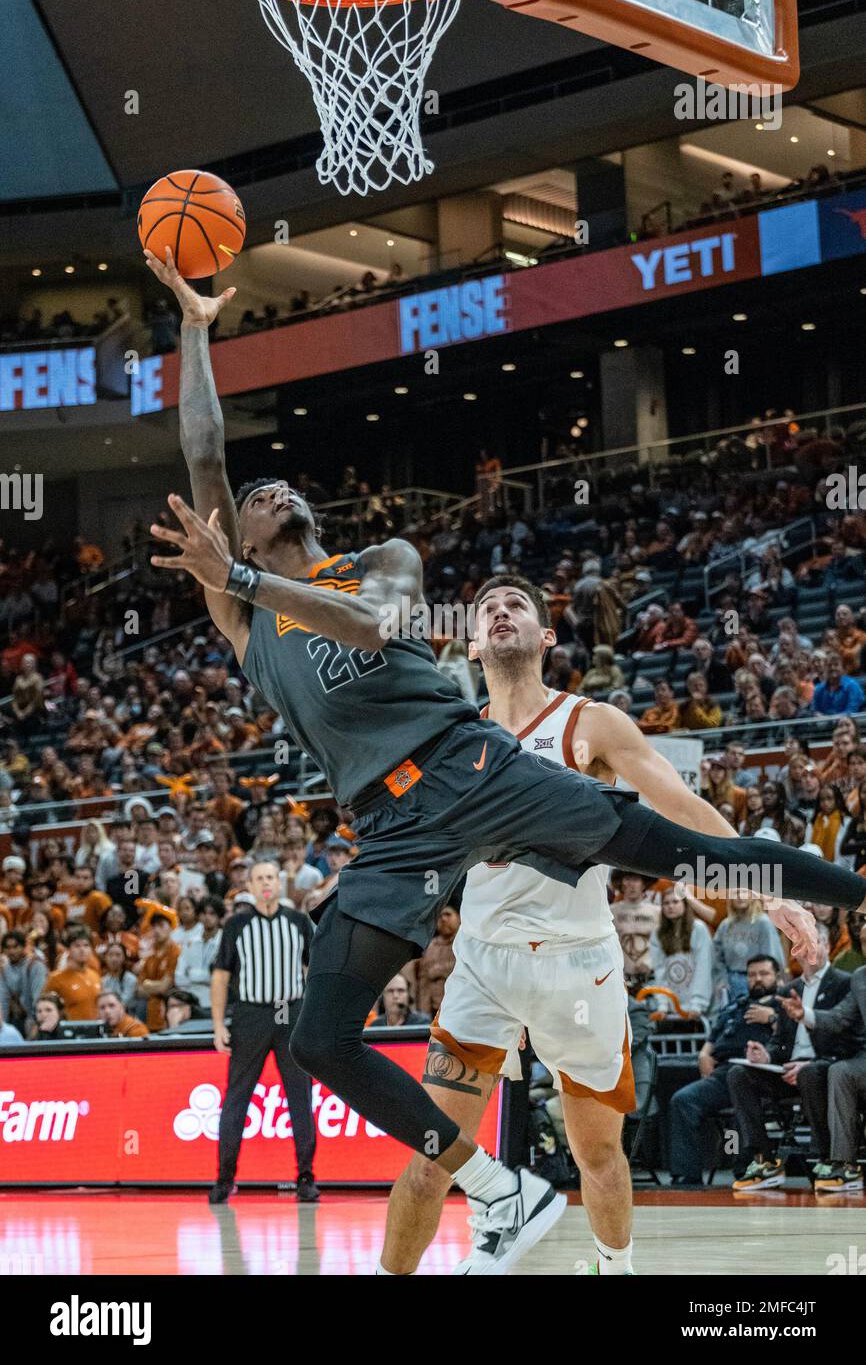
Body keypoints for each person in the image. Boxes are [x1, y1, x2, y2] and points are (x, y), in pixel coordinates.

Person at [144, 246, 847, 1274]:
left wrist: (244, 571)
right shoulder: (248, 626)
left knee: (670, 846)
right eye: (256, 493)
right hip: (388, 833)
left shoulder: (378, 566)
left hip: (467, 763)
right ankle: (498, 1187)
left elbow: (374, 627)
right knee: (318, 1038)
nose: (271, 487)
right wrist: (196, 329)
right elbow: (204, 453)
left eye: (281, 485)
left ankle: (841, 892)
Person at [378, 580, 802, 1279]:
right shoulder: (453, 739)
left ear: (546, 637)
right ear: (473, 642)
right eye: (488, 610)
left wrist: (771, 886)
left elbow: (683, 808)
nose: (502, 612)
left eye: (518, 604)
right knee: (432, 1152)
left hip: (581, 965)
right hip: (483, 962)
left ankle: (616, 1267)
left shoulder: (590, 724)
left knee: (598, 1155)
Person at [209, 860, 318, 1204]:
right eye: (259, 879)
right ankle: (224, 1178)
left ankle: (305, 1177)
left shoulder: (299, 922)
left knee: (300, 1097)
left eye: (271, 877)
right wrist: (217, 1025)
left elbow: (315, 970)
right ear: (250, 886)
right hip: (250, 1015)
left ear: (279, 882)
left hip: (292, 1013)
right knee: (236, 1098)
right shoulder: (236, 925)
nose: (266, 883)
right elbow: (221, 977)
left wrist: (314, 1017)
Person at [728, 925, 852, 1190]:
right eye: (803, 942)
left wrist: (810, 1063)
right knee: (740, 1074)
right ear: (795, 951)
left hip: (824, 1068)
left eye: (816, 941)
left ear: (827, 947)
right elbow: (779, 1042)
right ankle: (763, 1158)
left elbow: (850, 1041)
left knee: (810, 1073)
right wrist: (765, 1055)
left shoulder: (844, 983)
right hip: (786, 1071)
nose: (810, 947)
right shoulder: (789, 990)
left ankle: (826, 1157)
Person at [668, 955, 785, 1186]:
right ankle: (687, 1175)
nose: (757, 979)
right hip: (722, 1072)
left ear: (777, 978)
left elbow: (795, 1037)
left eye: (764, 974)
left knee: (741, 1095)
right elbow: (713, 1038)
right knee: (682, 1100)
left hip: (759, 1074)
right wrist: (703, 1054)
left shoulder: (783, 1004)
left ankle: (745, 1169)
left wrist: (772, 1017)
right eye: (752, 975)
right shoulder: (736, 1005)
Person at [782, 967, 866, 1192]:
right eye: (865, 942)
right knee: (839, 1071)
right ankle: (844, 1165)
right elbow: (840, 1017)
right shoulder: (859, 977)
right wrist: (804, 1014)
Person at [648, 889, 713, 1016]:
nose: (670, 906)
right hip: (671, 1005)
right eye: (666, 903)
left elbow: (703, 968)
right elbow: (660, 971)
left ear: (685, 904)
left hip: (697, 1005)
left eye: (675, 902)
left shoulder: (699, 929)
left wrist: (697, 1004)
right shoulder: (657, 934)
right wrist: (663, 1005)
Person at [174, 895, 224, 1010]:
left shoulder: (225, 942)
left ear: (219, 917)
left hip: (216, 999)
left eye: (212, 913)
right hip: (191, 998)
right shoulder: (191, 942)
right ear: (199, 915)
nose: (207, 917)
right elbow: (179, 976)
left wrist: (193, 975)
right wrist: (205, 978)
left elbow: (221, 979)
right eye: (204, 913)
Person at [0, 929, 47, 1037]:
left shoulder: (35, 965)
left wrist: (37, 1025)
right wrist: (4, 1030)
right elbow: (3, 1002)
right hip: (15, 1020)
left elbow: (38, 998)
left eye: (15, 947)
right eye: (8, 947)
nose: (12, 951)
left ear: (23, 947)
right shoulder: (4, 970)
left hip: (34, 1019)